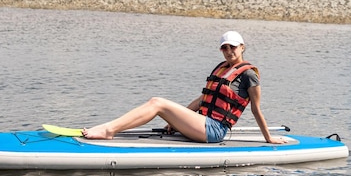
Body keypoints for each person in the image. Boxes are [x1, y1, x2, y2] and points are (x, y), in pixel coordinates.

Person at [82, 31, 286, 144]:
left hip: (215, 130)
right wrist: (176, 121)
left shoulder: (249, 75)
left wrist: (268, 138)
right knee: (160, 106)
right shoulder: (222, 69)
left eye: (232, 47)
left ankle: (109, 131)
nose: (228, 51)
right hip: (201, 124)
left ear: (242, 47)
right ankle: (109, 128)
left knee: (157, 103)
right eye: (224, 47)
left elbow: (256, 109)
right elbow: (201, 102)